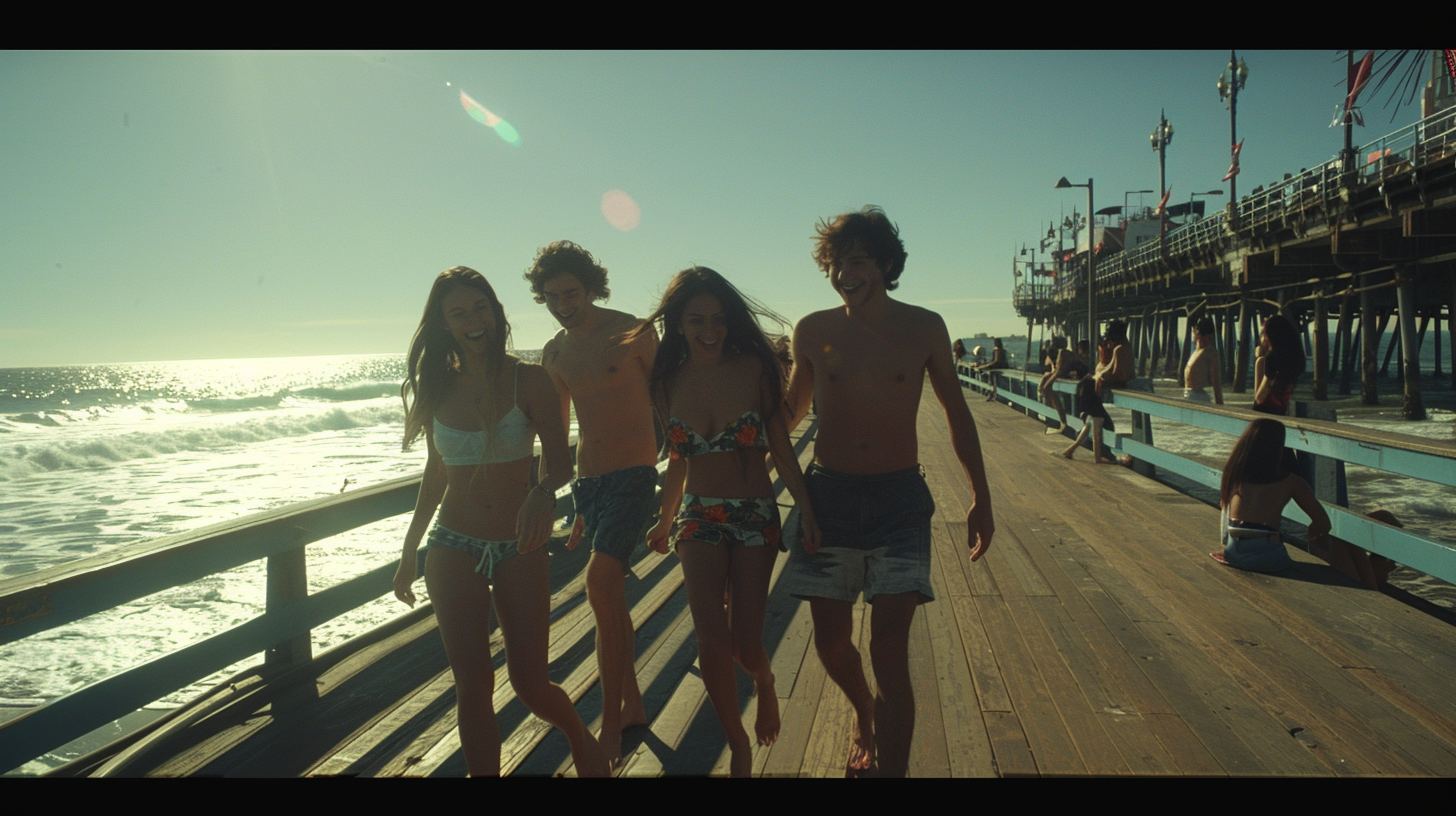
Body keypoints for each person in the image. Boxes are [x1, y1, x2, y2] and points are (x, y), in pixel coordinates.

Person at [783, 206, 994, 777]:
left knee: (889, 652)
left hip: (900, 501)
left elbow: (956, 411)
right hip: (828, 497)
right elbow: (789, 414)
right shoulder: (813, 330)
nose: (845, 273)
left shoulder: (923, 327)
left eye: (856, 261)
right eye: (836, 263)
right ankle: (862, 710)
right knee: (831, 644)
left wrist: (981, 496)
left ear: (886, 263)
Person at [393, 267, 609, 777]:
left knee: (530, 683)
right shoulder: (436, 385)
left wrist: (541, 493)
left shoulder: (528, 378)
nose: (473, 321)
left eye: (480, 308)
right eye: (459, 312)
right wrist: (408, 550)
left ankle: (579, 737)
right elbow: (437, 470)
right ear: (443, 323)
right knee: (472, 685)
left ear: (496, 313)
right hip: (452, 545)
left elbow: (561, 463)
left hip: (519, 543)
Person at [634, 267, 822, 777]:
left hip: (754, 515)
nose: (709, 330)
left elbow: (780, 444)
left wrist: (804, 507)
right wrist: (665, 517)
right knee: (709, 639)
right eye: (696, 320)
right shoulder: (665, 381)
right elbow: (677, 457)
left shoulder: (754, 369)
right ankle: (736, 742)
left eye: (718, 319)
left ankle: (763, 683)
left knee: (745, 645)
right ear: (677, 324)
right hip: (698, 517)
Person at [525, 242, 655, 765]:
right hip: (591, 483)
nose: (562, 304)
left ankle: (609, 723)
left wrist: (682, 482)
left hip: (637, 474)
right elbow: (555, 437)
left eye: (571, 293)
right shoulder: (554, 352)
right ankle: (636, 704)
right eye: (551, 296)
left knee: (598, 585)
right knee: (611, 598)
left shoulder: (633, 331)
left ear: (592, 287)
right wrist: (551, 498)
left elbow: (670, 395)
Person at [1211, 418, 1331, 573]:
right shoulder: (1292, 481)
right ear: (1279, 448)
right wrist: (1313, 537)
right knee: (1338, 543)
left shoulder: (1233, 474)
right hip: (1269, 559)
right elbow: (1323, 523)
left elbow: (1225, 514)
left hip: (1234, 554)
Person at [1060, 321, 1132, 464]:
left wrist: (1100, 376)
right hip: (1091, 388)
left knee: (1090, 424)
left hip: (1087, 385)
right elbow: (1118, 374)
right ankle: (1098, 458)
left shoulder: (1118, 349)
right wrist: (1104, 379)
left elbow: (1110, 368)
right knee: (1098, 425)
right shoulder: (1121, 348)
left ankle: (1071, 450)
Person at [1254, 314, 1304, 415]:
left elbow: (1259, 398)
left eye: (1263, 333)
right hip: (1281, 413)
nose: (1262, 337)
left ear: (1270, 336)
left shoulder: (1270, 360)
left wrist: (1259, 362)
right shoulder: (1296, 360)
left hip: (1263, 416)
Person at [1184, 316, 1224, 405]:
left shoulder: (1210, 352)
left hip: (1199, 398)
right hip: (1189, 395)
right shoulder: (1197, 351)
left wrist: (1220, 406)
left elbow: (1216, 382)